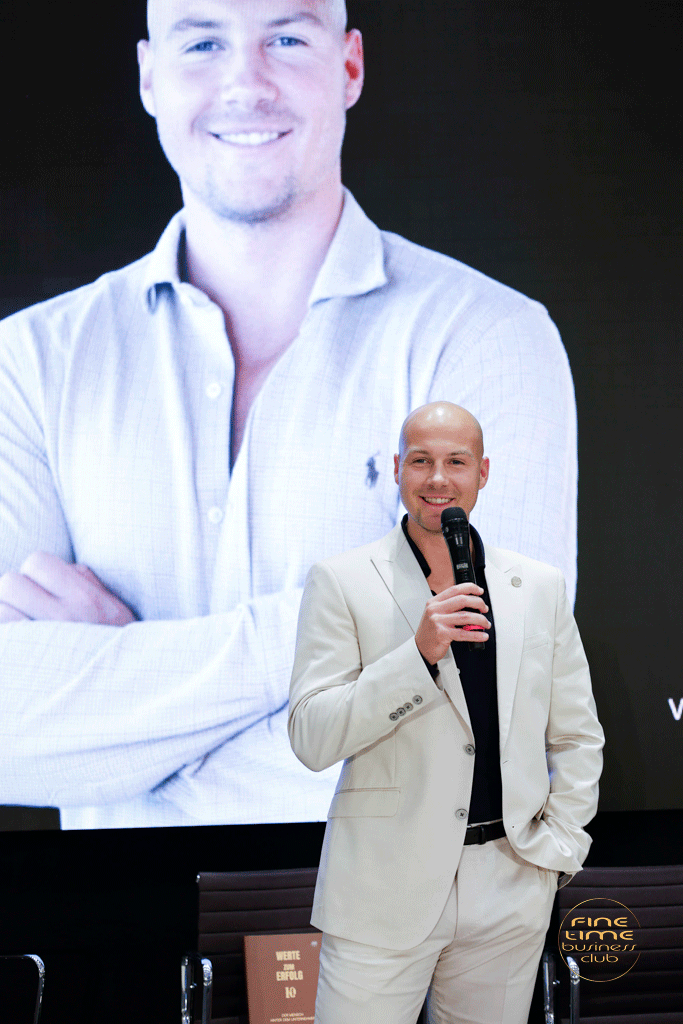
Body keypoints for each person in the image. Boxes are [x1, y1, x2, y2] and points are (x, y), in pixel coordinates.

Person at [0, 0, 577, 829]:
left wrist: (118, 728)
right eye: (203, 42)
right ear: (150, 77)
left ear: (348, 66)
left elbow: (483, 726)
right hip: (121, 918)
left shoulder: (486, 337)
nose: (246, 82)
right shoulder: (28, 364)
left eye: (286, 37)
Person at [288, 401, 603, 1024]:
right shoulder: (342, 580)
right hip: (381, 888)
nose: (438, 478)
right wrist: (418, 655)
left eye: (456, 461)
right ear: (397, 469)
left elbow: (576, 735)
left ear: (482, 472)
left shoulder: (537, 586)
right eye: (421, 461)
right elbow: (311, 735)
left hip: (510, 884)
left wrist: (556, 852)